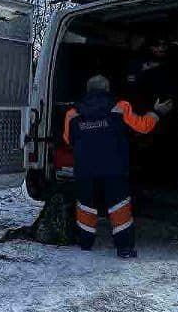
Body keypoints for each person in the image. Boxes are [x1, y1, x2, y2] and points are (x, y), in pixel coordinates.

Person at [64, 75, 171, 258]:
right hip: (114, 168)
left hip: (85, 169)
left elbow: (68, 139)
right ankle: (124, 248)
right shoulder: (121, 107)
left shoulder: (73, 113)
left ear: (88, 90)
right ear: (108, 89)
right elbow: (143, 127)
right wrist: (157, 112)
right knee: (119, 208)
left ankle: (85, 244)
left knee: (86, 207)